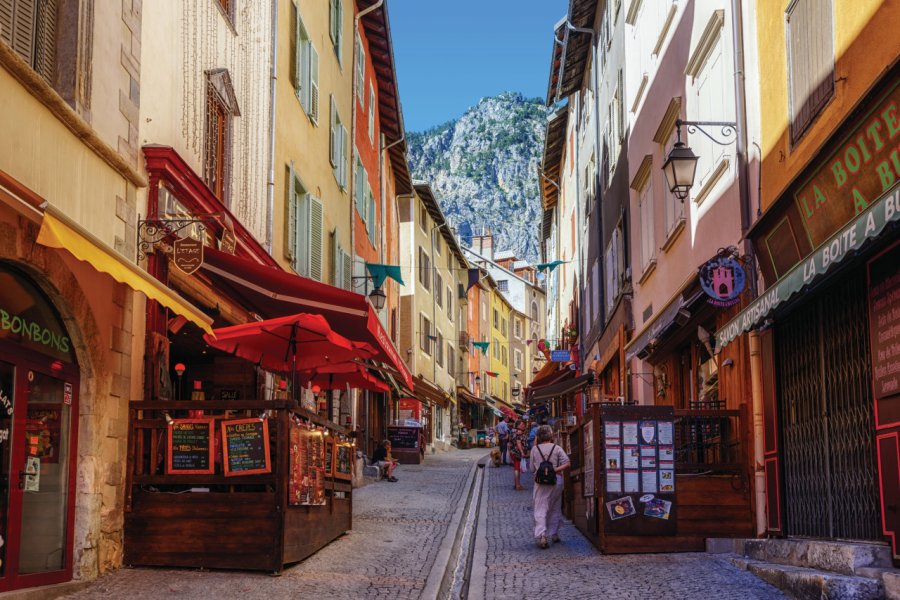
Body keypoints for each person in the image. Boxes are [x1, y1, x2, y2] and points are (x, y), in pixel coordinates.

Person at [530, 425, 570, 549]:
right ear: (551, 436)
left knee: (541, 508)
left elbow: (532, 469)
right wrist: (554, 469)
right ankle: (554, 533)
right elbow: (567, 463)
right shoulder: (557, 448)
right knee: (555, 507)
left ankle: (542, 535)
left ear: (539, 437)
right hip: (556, 480)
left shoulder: (535, 450)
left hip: (541, 482)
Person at [508, 420, 528, 490]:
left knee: (517, 468)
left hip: (514, 452)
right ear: (518, 425)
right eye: (522, 424)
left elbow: (510, 442)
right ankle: (517, 485)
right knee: (517, 469)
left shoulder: (513, 431)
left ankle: (517, 484)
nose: (524, 425)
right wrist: (522, 452)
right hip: (517, 452)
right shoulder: (519, 432)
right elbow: (518, 443)